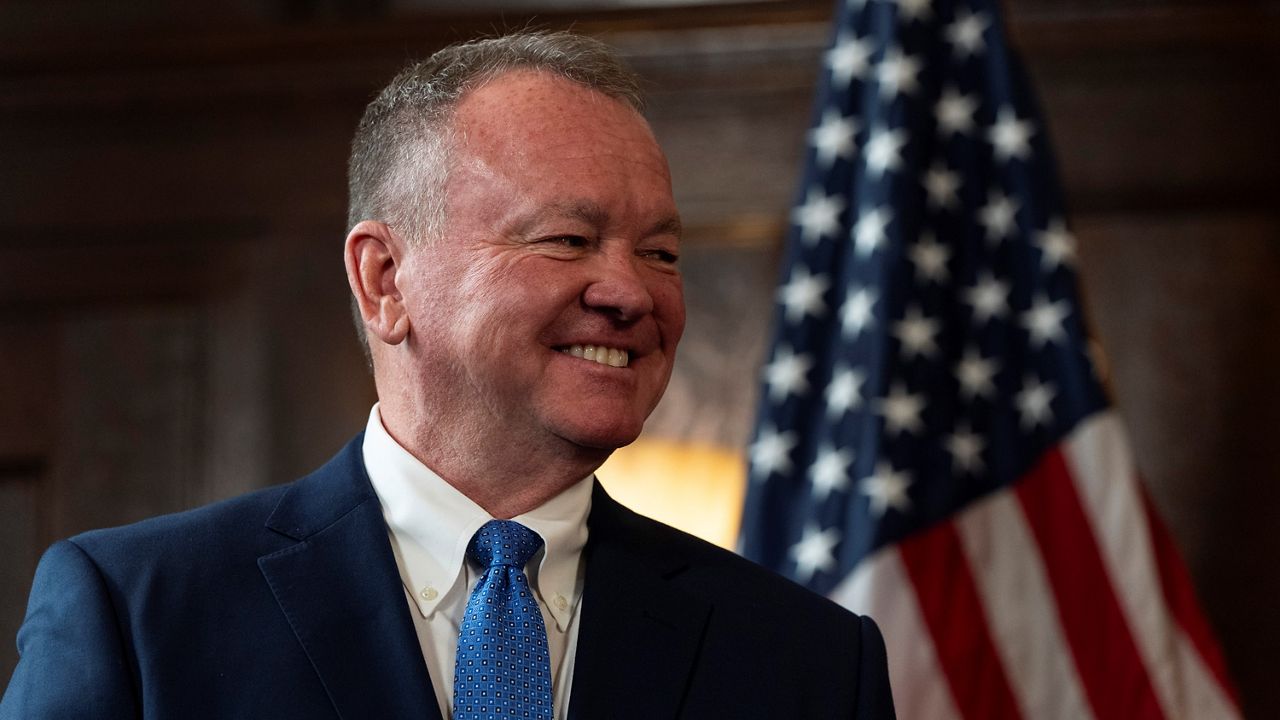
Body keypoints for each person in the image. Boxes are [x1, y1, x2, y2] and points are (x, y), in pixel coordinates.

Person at [0, 31, 895, 719]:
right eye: (567, 240)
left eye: (660, 252)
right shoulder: (140, 616)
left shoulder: (809, 660)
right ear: (385, 281)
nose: (630, 291)